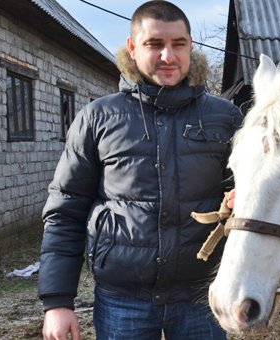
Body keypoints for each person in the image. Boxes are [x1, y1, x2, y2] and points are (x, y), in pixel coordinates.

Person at [38, 1, 243, 339]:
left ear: (190, 46)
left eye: (178, 44)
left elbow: (248, 195)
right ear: (133, 48)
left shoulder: (226, 118)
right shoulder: (98, 118)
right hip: (123, 299)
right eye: (154, 44)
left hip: (200, 294)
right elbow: (65, 210)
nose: (168, 56)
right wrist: (58, 302)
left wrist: (240, 198)